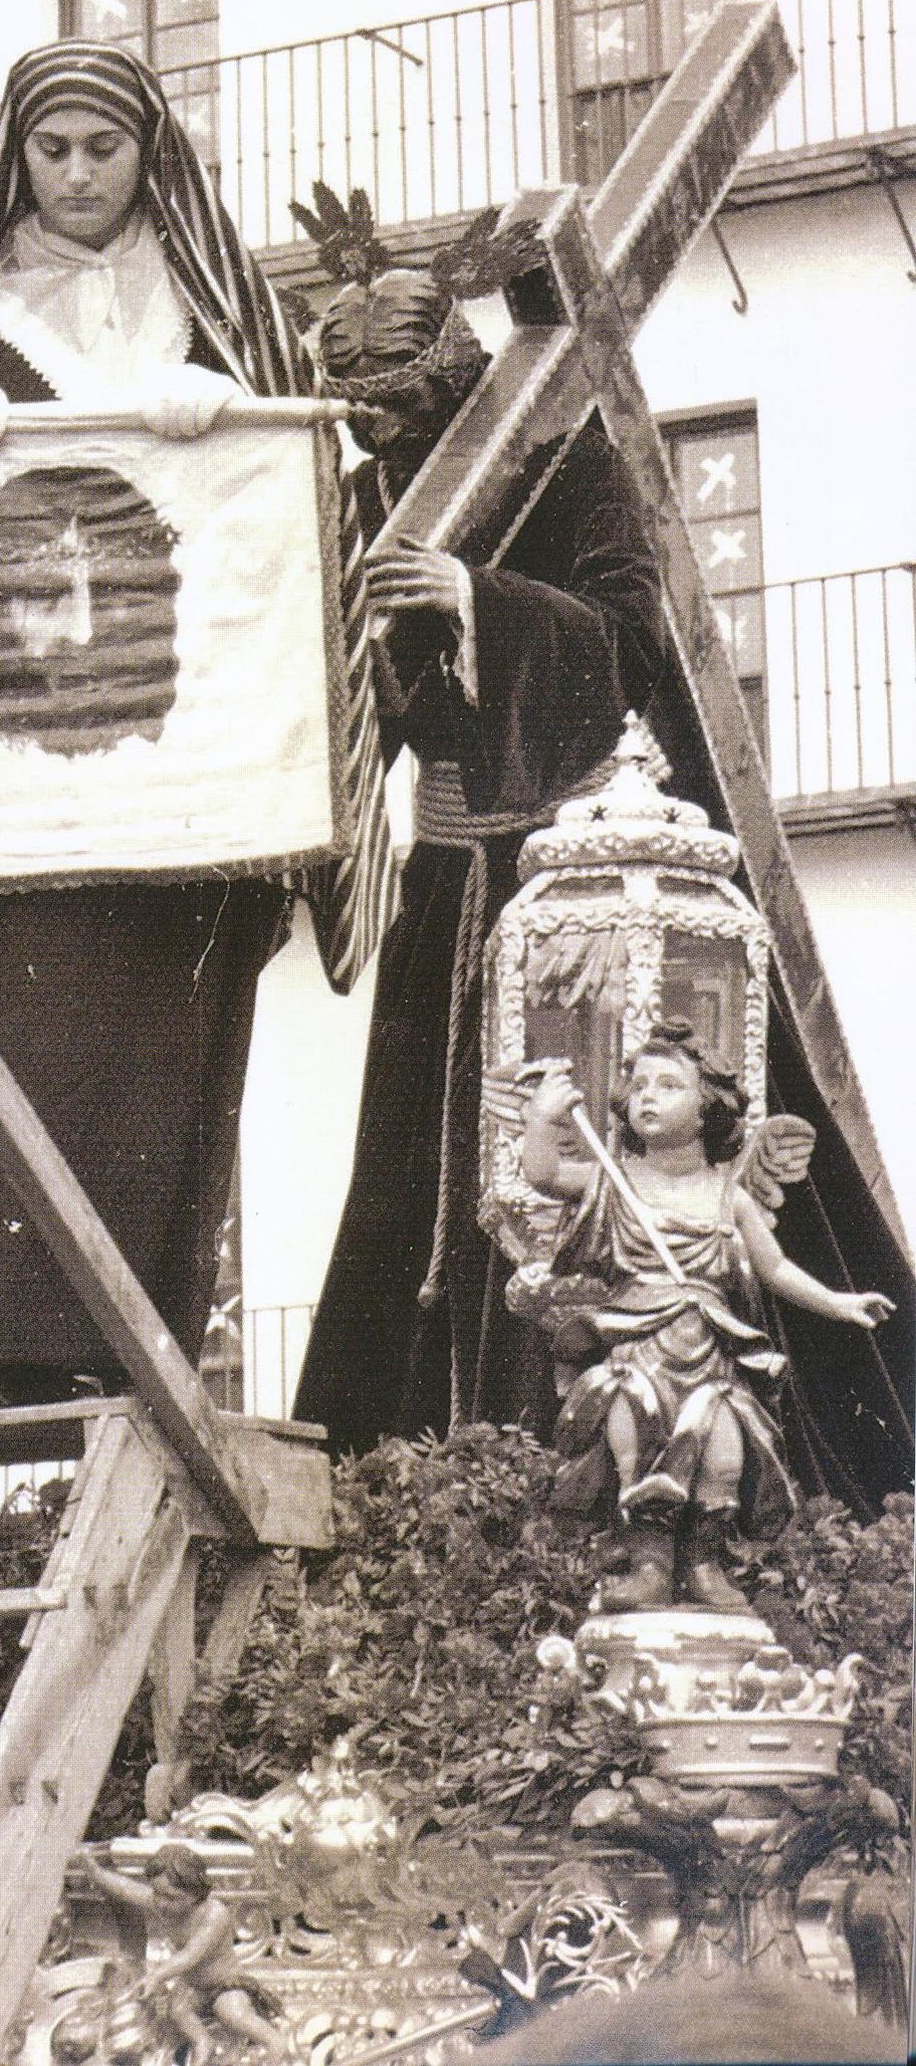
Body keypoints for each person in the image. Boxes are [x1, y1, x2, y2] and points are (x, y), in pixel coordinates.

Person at [0, 41, 386, 1403]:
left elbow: (318, 508)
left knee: (153, 1088)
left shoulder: (224, 315)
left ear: (149, 159)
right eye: (52, 152)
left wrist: (239, 414)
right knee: (15, 1062)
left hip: (180, 815)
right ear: (17, 162)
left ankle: (146, 1363)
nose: (77, 176)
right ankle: (18, 1369)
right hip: (8, 817)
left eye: (103, 151)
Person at [292, 267, 668, 1454]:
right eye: (358, 413)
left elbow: (631, 641)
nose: (376, 434)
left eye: (397, 408)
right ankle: (404, 1456)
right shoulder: (359, 499)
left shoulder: (567, 457)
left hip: (567, 875)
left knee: (560, 1154)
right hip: (443, 872)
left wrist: (475, 599)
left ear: (455, 382)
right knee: (413, 1180)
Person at [518, 1026, 893, 1610]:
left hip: (713, 1358)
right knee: (634, 1445)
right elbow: (542, 1175)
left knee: (722, 1458)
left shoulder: (729, 1195)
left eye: (669, 1085)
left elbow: (775, 1268)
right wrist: (543, 1121)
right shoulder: (614, 1183)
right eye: (639, 1085)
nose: (647, 1096)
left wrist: (840, 1303)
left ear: (707, 1109)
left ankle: (703, 1563)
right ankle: (649, 1564)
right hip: (635, 1351)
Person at [83, 1842, 289, 2062]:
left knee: (230, 2012)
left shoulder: (214, 1915)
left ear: (194, 1893)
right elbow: (127, 1889)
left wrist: (159, 1975)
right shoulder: (166, 1906)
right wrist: (94, 1871)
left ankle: (274, 2043)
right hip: (194, 1987)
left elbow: (191, 1955)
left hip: (225, 1984)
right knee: (176, 2009)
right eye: (157, 1893)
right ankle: (202, 2041)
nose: (161, 1903)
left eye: (170, 1897)